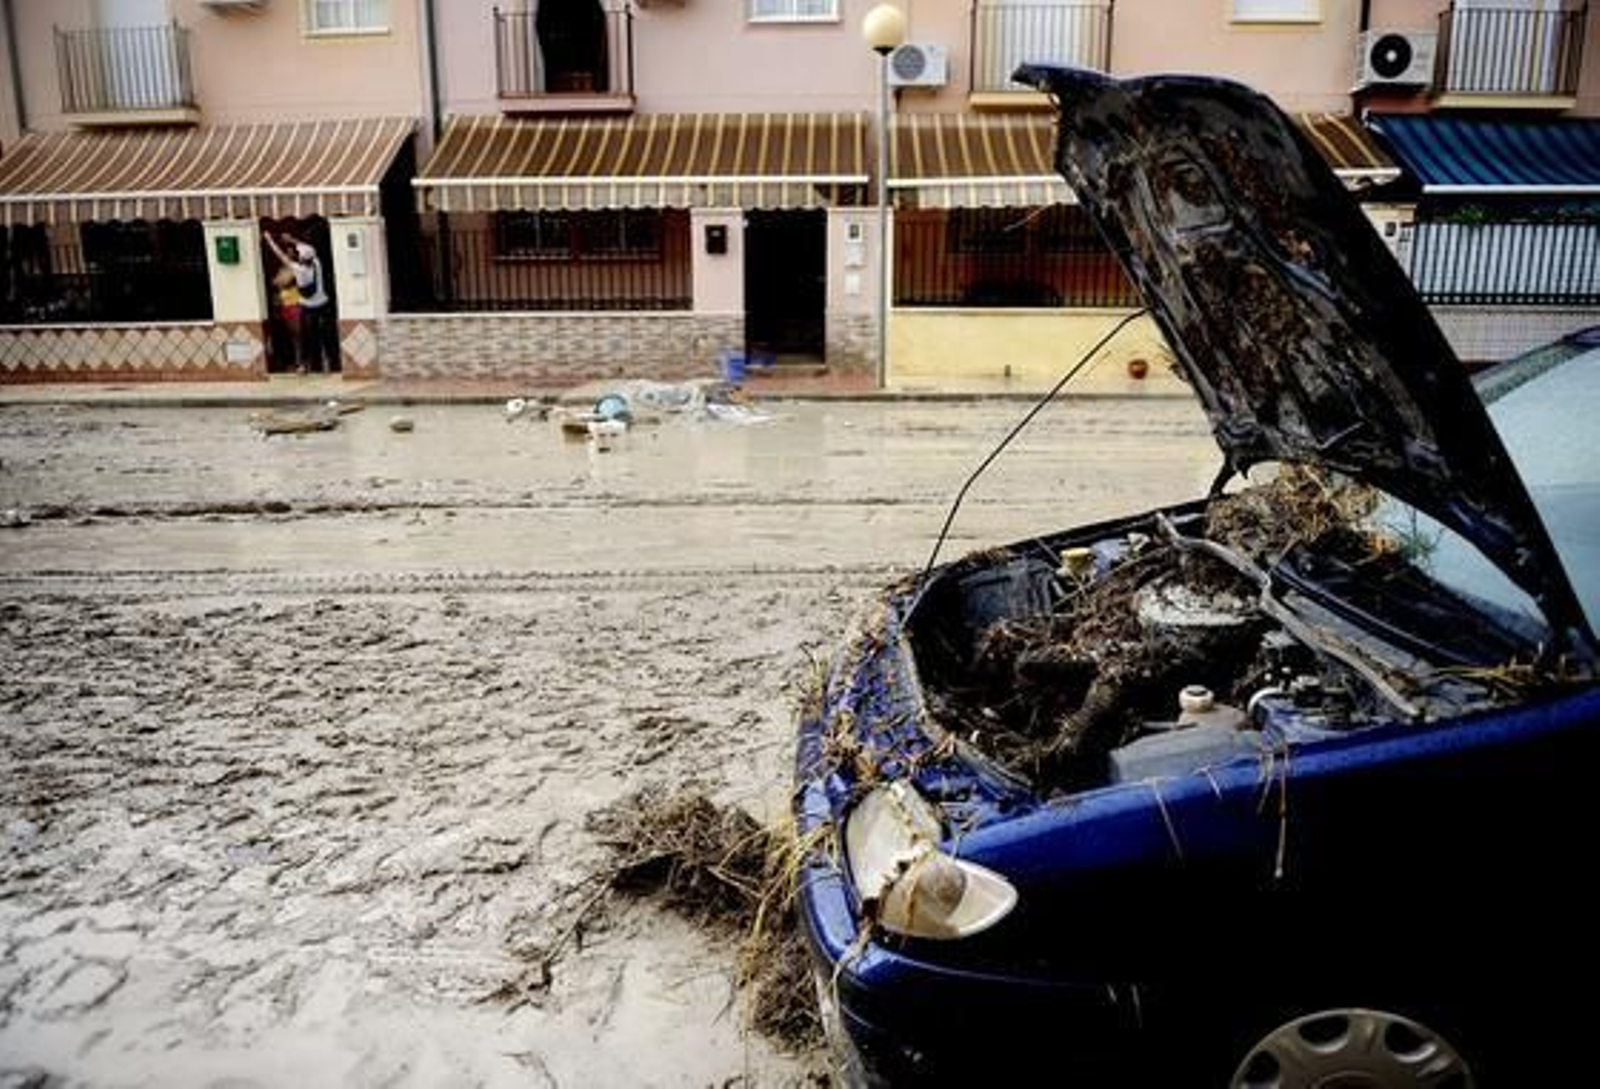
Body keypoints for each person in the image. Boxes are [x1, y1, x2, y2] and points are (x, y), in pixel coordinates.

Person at [264, 232, 337, 373]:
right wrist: (292, 239)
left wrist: (269, 239)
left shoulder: (298, 270)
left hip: (308, 308)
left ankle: (306, 365)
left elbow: (279, 254)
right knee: (326, 336)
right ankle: (329, 362)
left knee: (306, 337)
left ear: (301, 259)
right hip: (323, 304)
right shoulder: (317, 263)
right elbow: (308, 248)